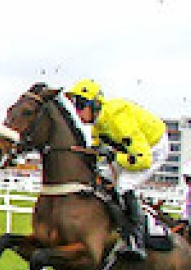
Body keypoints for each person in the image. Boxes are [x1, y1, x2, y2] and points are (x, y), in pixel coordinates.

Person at [65, 78, 168, 260]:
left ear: (95, 104)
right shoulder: (98, 124)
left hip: (152, 149)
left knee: (124, 185)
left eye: (80, 105)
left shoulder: (119, 119)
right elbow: (98, 151)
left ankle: (136, 240)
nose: (77, 111)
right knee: (102, 179)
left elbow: (143, 160)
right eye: (75, 106)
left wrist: (113, 156)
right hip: (129, 151)